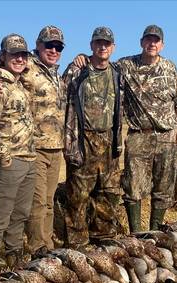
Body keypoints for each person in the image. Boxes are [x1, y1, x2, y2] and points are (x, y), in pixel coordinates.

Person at [75, 25, 177, 232]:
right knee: (133, 187)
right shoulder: (125, 66)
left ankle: (156, 232)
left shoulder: (170, 68)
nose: (152, 44)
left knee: (163, 187)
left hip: (167, 135)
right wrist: (83, 56)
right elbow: (101, 61)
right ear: (141, 42)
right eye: (148, 39)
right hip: (138, 136)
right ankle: (136, 234)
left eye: (156, 40)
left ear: (162, 45)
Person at [0, 26, 66, 264]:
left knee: (38, 206)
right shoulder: (24, 69)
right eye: (49, 45)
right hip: (24, 152)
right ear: (38, 46)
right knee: (17, 210)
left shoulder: (54, 74)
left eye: (58, 46)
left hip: (48, 149)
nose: (53, 50)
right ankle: (27, 251)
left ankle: (29, 253)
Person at [62, 27, 124, 249]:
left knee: (107, 191)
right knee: (78, 194)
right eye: (98, 43)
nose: (102, 47)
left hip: (109, 140)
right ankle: (77, 242)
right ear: (91, 46)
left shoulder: (117, 73)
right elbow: (59, 94)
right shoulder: (77, 70)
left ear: (113, 47)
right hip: (83, 139)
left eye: (107, 43)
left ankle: (103, 236)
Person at [0, 34, 35, 274]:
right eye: (14, 54)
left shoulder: (20, 82)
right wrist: (4, 156)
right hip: (8, 161)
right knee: (0, 215)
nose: (19, 59)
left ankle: (14, 258)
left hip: (28, 159)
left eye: (22, 54)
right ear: (3, 56)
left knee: (20, 214)